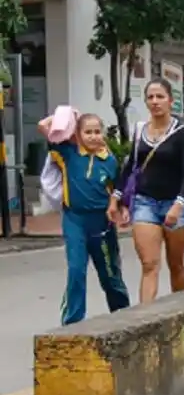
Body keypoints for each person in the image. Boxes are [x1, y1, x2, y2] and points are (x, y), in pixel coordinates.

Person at [110, 77, 184, 304]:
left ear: (170, 101)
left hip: (174, 204)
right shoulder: (140, 130)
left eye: (160, 97)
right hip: (145, 202)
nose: (155, 101)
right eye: (150, 97)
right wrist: (116, 197)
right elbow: (131, 167)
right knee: (149, 265)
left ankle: (178, 311)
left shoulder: (182, 133)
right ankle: (144, 321)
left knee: (175, 264)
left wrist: (179, 205)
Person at [38, 111, 131, 324]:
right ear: (77, 135)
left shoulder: (109, 162)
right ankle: (72, 321)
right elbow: (43, 125)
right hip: (75, 221)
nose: (93, 136)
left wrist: (120, 208)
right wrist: (69, 115)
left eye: (97, 132)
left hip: (102, 224)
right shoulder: (68, 154)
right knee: (76, 270)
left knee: (110, 275)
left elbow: (118, 190)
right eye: (87, 132)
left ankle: (124, 317)